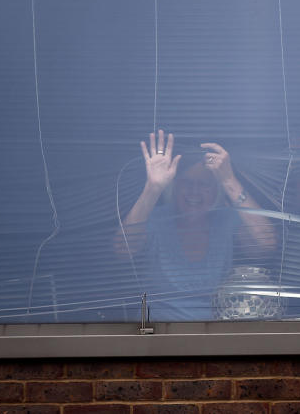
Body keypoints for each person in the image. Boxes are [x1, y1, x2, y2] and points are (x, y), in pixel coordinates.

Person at [115, 130, 275, 321]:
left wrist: (229, 180)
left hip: (214, 337)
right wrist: (153, 188)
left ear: (216, 190)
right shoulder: (157, 219)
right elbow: (121, 250)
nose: (194, 191)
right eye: (186, 183)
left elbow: (266, 245)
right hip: (157, 337)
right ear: (174, 187)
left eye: (204, 184)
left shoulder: (225, 220)